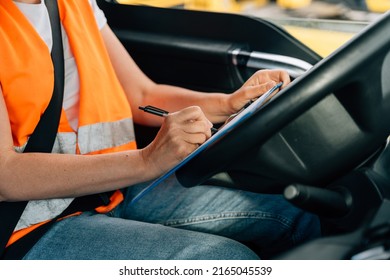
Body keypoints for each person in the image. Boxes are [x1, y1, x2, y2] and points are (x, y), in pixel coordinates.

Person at [0, 0, 321, 260]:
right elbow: (6, 176)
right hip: (27, 226)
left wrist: (228, 103)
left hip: (110, 190)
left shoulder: (74, 4)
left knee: (294, 216)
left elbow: (141, 94)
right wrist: (147, 160)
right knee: (224, 260)